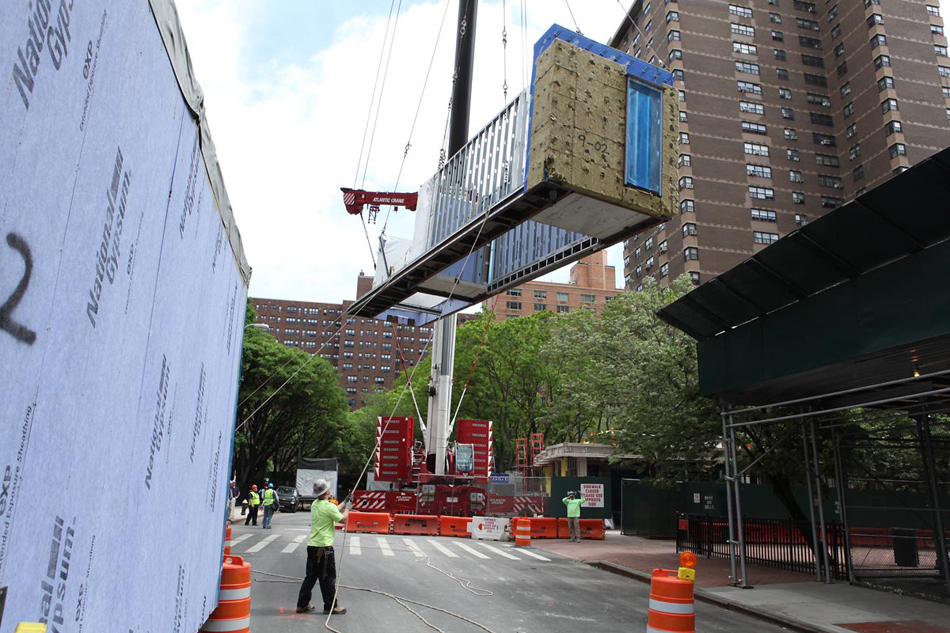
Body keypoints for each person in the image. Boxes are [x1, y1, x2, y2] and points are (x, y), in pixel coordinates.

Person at [297, 479, 349, 615]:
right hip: (324, 548)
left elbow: (333, 510)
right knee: (327, 578)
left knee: (310, 577)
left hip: (312, 546)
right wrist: (348, 510)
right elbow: (341, 519)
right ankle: (330, 606)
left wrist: (344, 502)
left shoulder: (315, 504)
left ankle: (302, 604)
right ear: (326, 491)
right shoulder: (328, 507)